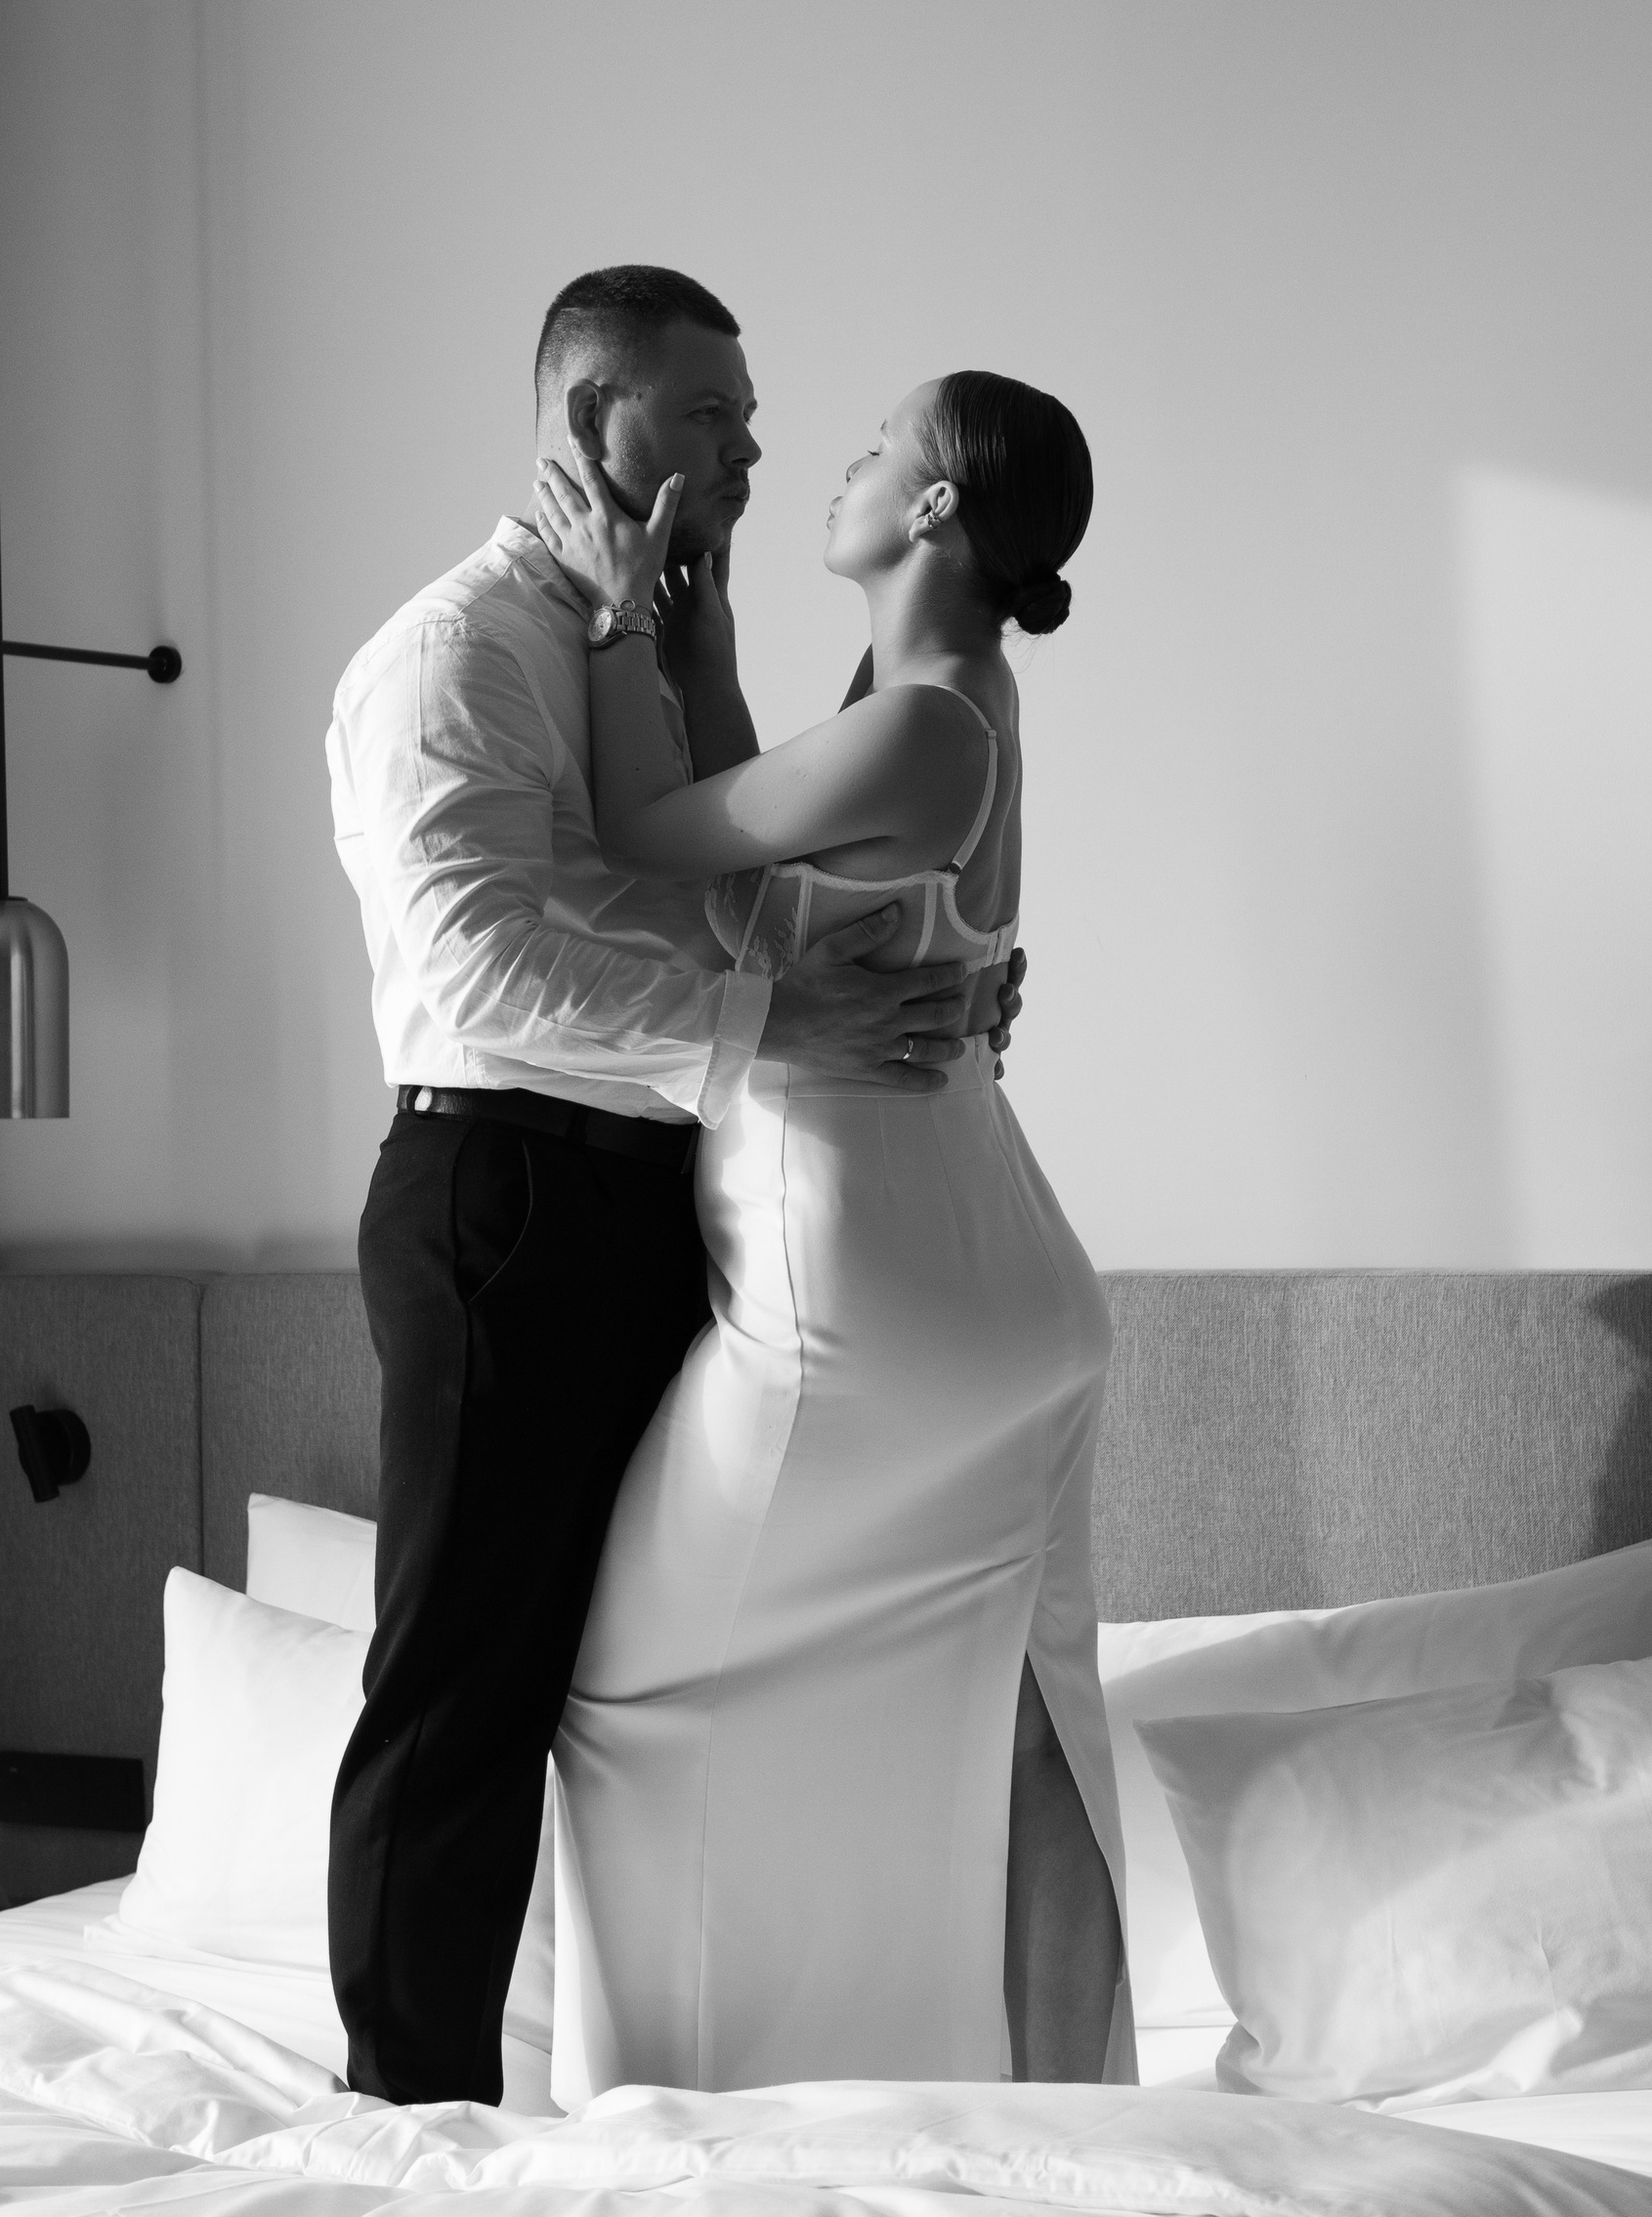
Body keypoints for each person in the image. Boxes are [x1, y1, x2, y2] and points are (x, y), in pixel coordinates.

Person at [324, 268, 1021, 2105]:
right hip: (506, 1196)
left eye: (754, 417)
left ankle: (634, 2084)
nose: (754, 450)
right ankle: (405, 2127)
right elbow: (481, 966)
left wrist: (941, 964)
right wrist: (789, 1011)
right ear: (593, 422)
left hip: (665, 1207)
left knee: (629, 1687)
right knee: (463, 1688)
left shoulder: (647, 646)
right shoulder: (459, 652)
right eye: (711, 414)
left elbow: (740, 890)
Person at [533, 368, 1131, 2098]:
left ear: (933, 506)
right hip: (966, 1263)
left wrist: (609, 613)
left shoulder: (928, 723)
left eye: (877, 447)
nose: (838, 464)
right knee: (984, 1724)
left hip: (860, 1292)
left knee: (628, 1703)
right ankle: (998, 2115)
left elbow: (650, 844)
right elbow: (760, 872)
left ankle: (669, 2112)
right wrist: (708, 666)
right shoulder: (943, 701)